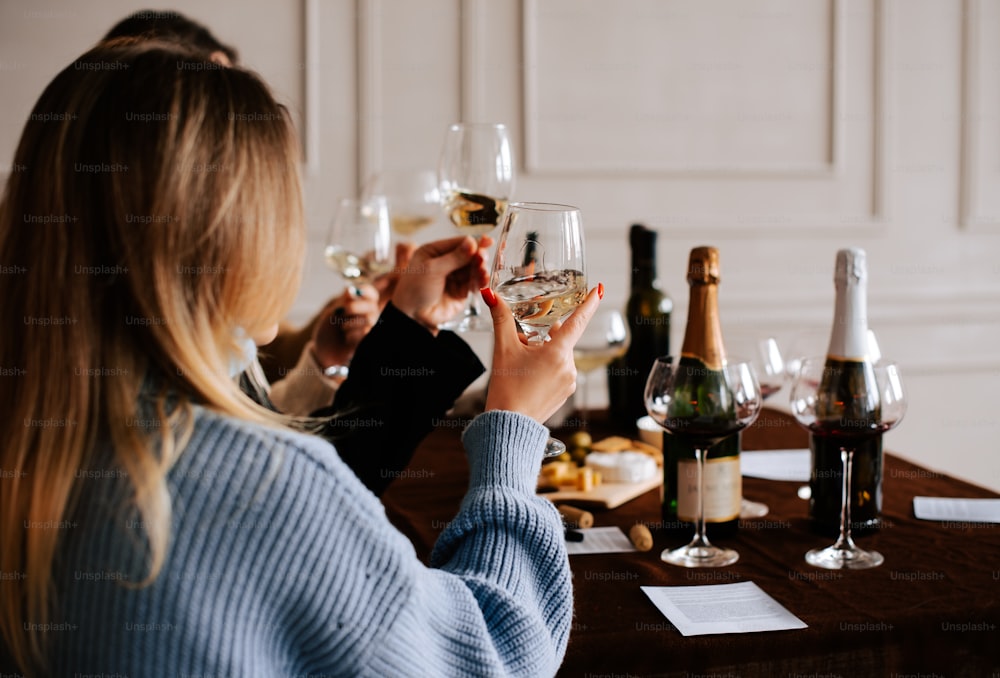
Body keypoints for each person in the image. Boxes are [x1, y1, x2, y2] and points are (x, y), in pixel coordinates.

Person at [0, 40, 603, 676]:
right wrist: (514, 430)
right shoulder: (263, 491)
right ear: (236, 235)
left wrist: (407, 326)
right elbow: (495, 656)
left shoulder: (39, 438)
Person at [95, 10, 489, 498]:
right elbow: (296, 487)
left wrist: (396, 326)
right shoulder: (175, 431)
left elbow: (287, 446)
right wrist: (509, 437)